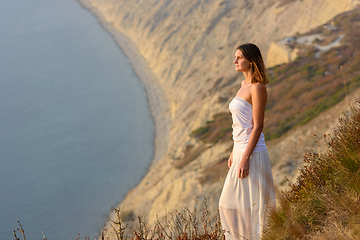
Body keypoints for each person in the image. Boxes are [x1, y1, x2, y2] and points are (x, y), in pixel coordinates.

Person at [219, 43, 276, 240]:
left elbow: (258, 126)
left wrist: (245, 157)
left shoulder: (258, 88)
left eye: (239, 58)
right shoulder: (243, 86)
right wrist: (234, 151)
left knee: (254, 206)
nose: (234, 61)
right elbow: (240, 125)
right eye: (235, 57)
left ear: (251, 61)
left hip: (253, 153)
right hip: (240, 150)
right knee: (230, 205)